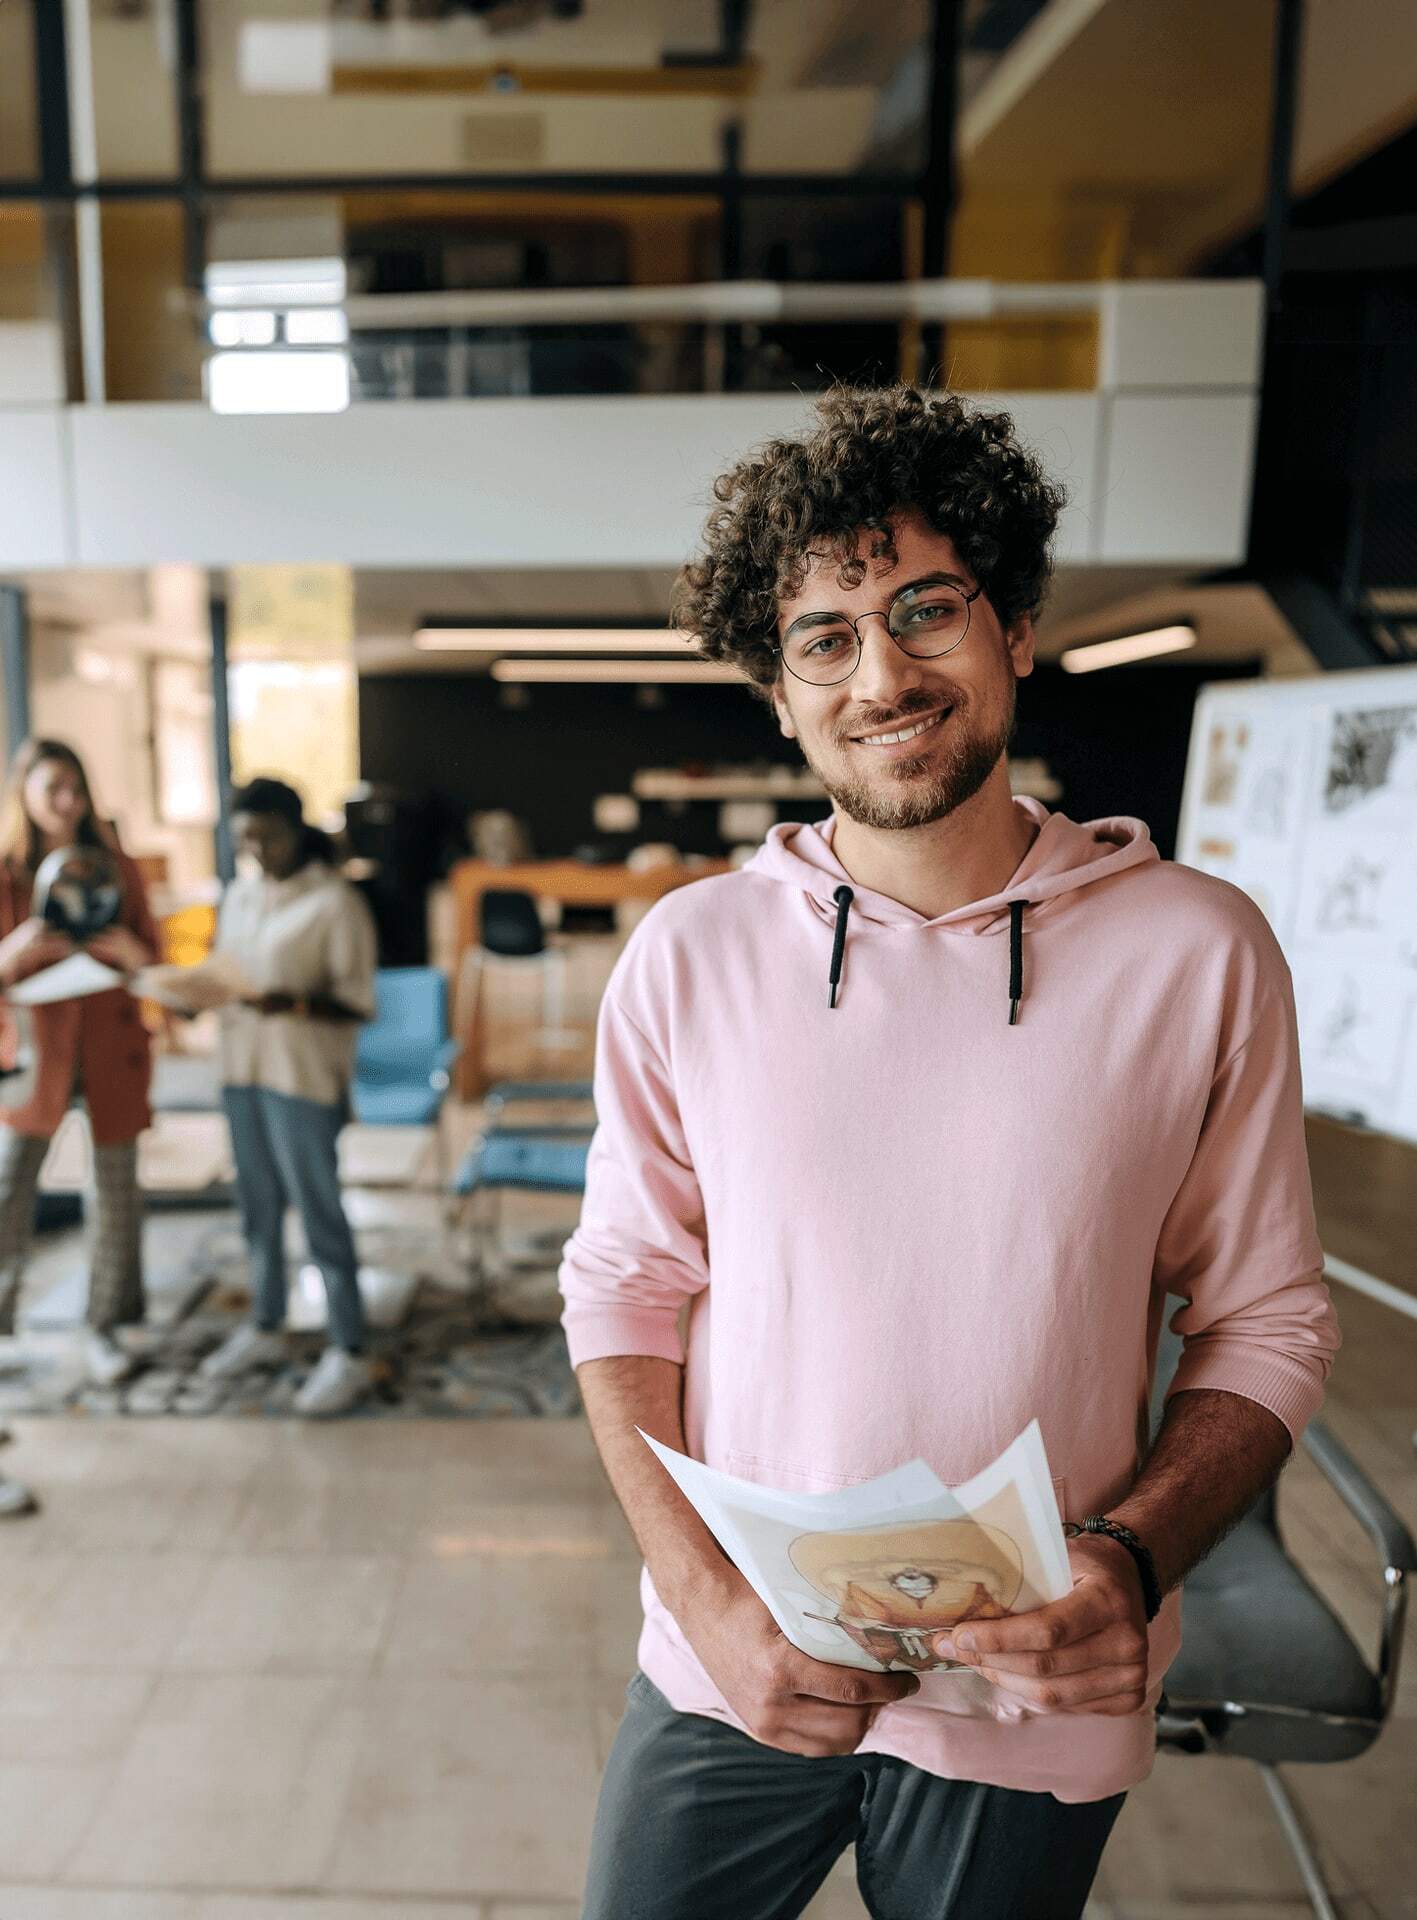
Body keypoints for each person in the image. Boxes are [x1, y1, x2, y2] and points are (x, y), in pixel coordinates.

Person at [563, 387, 1340, 1919]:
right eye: (826, 639)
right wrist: (712, 1610)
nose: (885, 673)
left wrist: (1133, 1557)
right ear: (779, 696)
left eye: (928, 609)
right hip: (739, 1663)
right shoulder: (690, 955)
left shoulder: (1197, 949)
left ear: (1018, 633)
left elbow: (1268, 1320)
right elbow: (623, 1295)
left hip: (1036, 1688)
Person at [197, 777, 378, 1418]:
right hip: (242, 1070)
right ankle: (266, 1324)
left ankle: (348, 1347)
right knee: (257, 1206)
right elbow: (224, 970)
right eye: (244, 838)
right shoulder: (241, 894)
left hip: (302, 1076)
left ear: (295, 830)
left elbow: (359, 1001)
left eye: (266, 837)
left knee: (318, 1210)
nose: (255, 851)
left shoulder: (335, 904)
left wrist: (289, 1002)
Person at [0, 738, 161, 1392]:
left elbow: (154, 960)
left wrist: (129, 950)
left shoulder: (116, 865)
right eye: (53, 789)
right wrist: (16, 946)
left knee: (115, 1194)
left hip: (110, 1046)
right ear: (25, 793)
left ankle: (102, 1325)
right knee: (11, 1187)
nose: (68, 802)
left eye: (77, 788)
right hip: (36, 1051)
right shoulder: (6, 872)